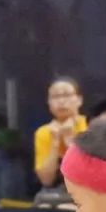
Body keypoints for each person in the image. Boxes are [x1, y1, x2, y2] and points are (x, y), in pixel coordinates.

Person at [34, 76, 87, 204]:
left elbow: (88, 175)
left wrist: (70, 143)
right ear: (49, 102)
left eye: (67, 95)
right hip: (55, 193)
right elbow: (46, 180)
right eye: (55, 97)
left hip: (88, 192)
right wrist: (55, 143)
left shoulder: (91, 126)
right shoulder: (43, 132)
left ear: (79, 100)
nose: (61, 101)